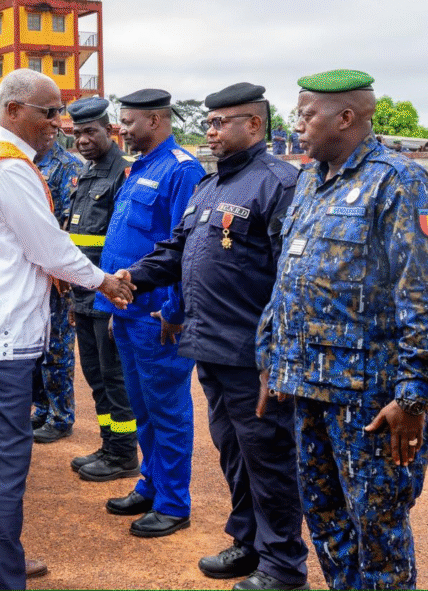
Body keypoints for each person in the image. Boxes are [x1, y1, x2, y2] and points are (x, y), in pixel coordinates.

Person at [256, 69, 428, 591]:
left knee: (378, 533)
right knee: (327, 523)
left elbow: (426, 294)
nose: (296, 125)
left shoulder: (400, 181)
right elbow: (289, 277)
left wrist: (412, 399)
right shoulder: (309, 181)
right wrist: (271, 356)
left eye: (305, 114)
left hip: (369, 402)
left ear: (345, 117)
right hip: (308, 389)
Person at [0, 68, 133, 590]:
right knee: (4, 470)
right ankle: (0, 580)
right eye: (49, 112)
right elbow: (49, 249)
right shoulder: (8, 168)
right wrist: (105, 282)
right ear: (13, 110)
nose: (59, 122)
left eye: (59, 111)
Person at [121, 83, 307, 590]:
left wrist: (278, 357)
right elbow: (176, 251)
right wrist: (130, 278)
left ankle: (284, 567)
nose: (211, 130)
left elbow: (292, 280)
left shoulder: (280, 183)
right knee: (234, 454)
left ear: (254, 125)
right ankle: (249, 544)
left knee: (269, 461)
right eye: (208, 123)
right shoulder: (209, 186)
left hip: (254, 356)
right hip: (213, 349)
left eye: (222, 122)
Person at [97, 88, 204, 538]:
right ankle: (151, 482)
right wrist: (112, 306)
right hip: (127, 312)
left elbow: (186, 249)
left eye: (130, 121)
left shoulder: (182, 169)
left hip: (158, 317)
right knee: (142, 408)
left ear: (157, 120)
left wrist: (175, 310)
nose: (122, 128)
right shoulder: (140, 166)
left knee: (167, 410)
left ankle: (174, 502)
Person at [65, 97, 139, 481]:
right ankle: (109, 443)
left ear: (108, 131)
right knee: (95, 377)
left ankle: (125, 455)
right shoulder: (87, 175)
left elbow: (121, 241)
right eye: (77, 133)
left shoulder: (122, 175)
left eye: (90, 131)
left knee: (115, 378)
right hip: (83, 294)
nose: (82, 139)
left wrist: (112, 296)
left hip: (108, 295)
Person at [31, 138, 83, 443]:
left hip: (57, 275)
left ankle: (61, 415)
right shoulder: (27, 164)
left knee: (57, 346)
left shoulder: (68, 166)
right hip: (33, 272)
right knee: (36, 346)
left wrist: (60, 270)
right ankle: (41, 408)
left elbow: (66, 224)